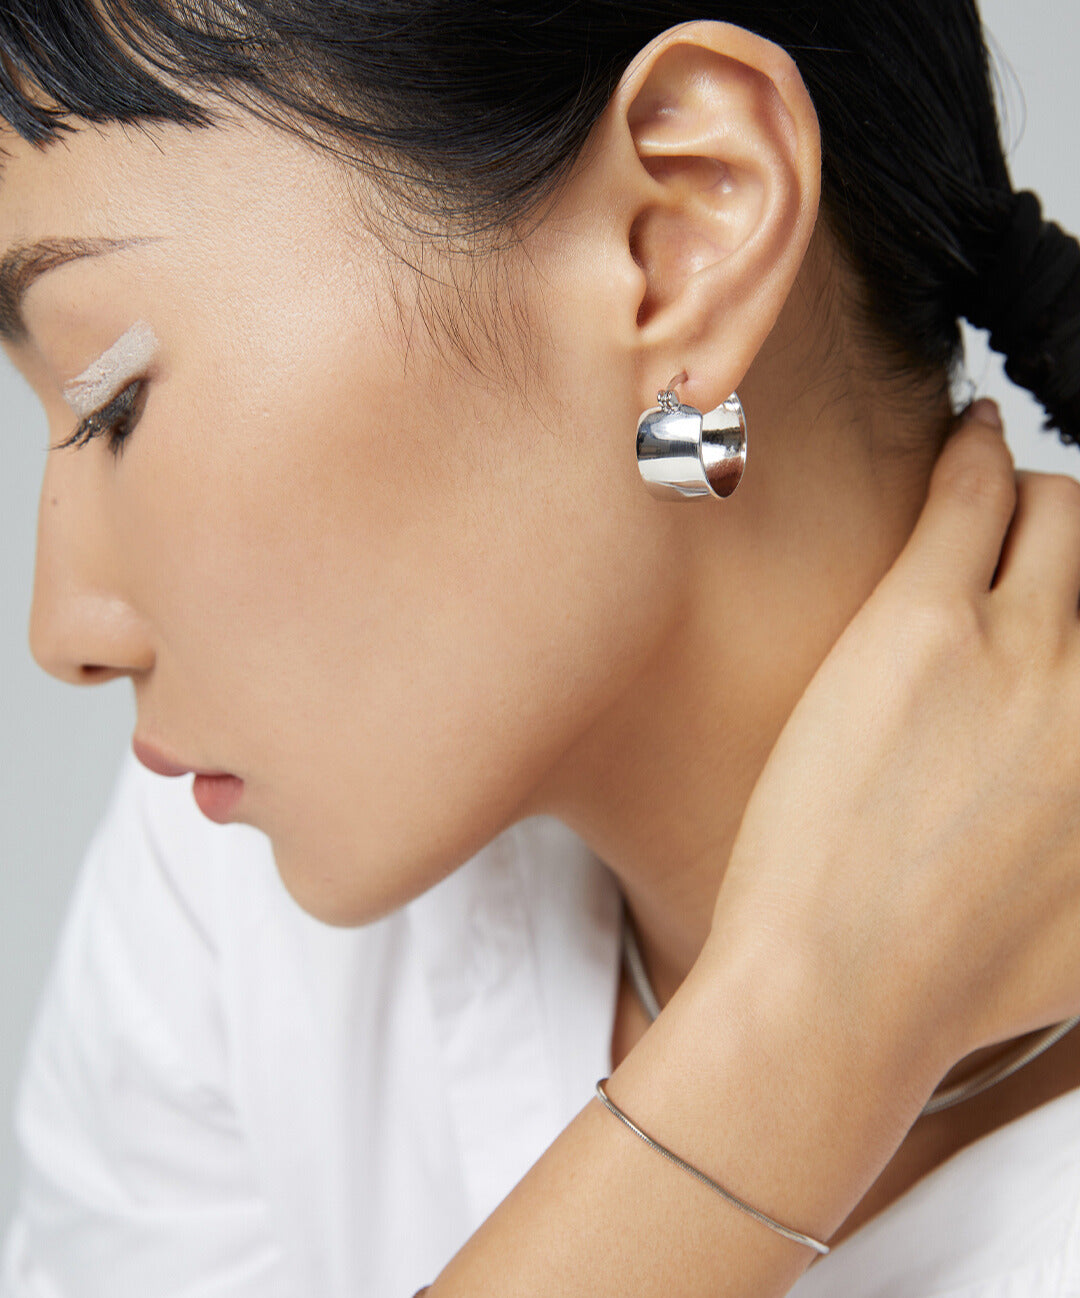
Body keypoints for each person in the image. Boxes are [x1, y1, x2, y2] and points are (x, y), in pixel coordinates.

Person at [1, 1, 1080, 1294]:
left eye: (113, 402)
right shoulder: (237, 899)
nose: (62, 627)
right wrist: (793, 1044)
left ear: (679, 238)